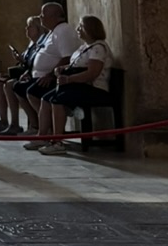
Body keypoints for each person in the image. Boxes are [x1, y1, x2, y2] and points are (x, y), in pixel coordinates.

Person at [31, 16, 118, 153]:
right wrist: (63, 68)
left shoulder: (98, 48)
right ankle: (42, 137)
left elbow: (92, 73)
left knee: (57, 100)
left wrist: (68, 79)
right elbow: (77, 64)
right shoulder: (85, 47)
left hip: (93, 89)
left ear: (90, 29)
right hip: (80, 86)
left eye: (81, 26)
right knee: (46, 98)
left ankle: (58, 142)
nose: (77, 29)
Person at [18, 2, 81, 142]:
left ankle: (47, 131)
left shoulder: (63, 30)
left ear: (53, 16)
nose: (40, 17)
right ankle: (45, 129)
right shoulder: (53, 31)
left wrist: (51, 75)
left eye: (43, 14)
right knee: (25, 89)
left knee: (34, 92)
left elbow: (67, 57)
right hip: (44, 75)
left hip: (57, 78)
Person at [0, 17, 45, 136]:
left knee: (9, 85)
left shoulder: (42, 44)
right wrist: (19, 58)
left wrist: (23, 62)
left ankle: (15, 124)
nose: (26, 29)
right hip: (24, 74)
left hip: (31, 76)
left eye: (30, 26)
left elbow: (35, 64)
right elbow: (25, 61)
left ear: (38, 29)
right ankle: (3, 121)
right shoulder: (31, 44)